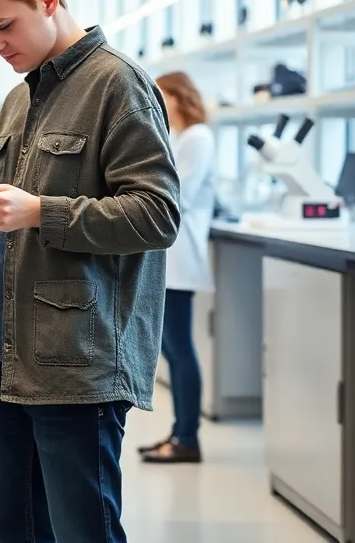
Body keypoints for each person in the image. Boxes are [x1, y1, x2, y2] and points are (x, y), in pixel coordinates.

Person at [0, 0, 181, 543]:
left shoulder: (117, 85)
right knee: (13, 529)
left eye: (4, 26)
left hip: (77, 366)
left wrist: (40, 212)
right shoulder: (19, 101)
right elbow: (21, 219)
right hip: (6, 358)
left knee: (83, 530)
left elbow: (158, 215)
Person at [139, 71, 216, 464]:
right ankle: (179, 432)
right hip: (168, 257)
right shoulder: (179, 138)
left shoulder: (198, 137)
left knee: (180, 349)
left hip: (180, 257)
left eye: (161, 95)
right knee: (171, 349)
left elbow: (171, 192)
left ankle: (188, 437)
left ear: (178, 96)